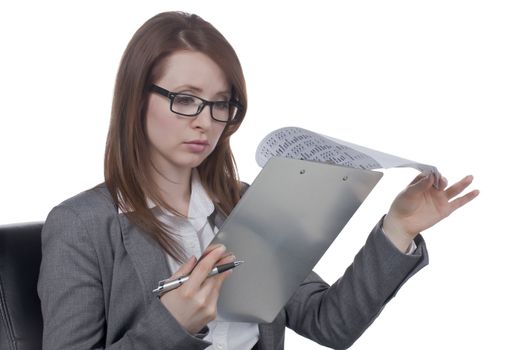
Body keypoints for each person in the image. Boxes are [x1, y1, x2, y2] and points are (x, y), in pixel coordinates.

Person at [37, 11, 479, 350]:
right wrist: (172, 324)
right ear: (137, 98)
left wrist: (398, 228)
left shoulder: (246, 204)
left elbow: (330, 323)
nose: (205, 122)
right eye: (186, 99)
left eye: (220, 104)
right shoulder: (82, 225)